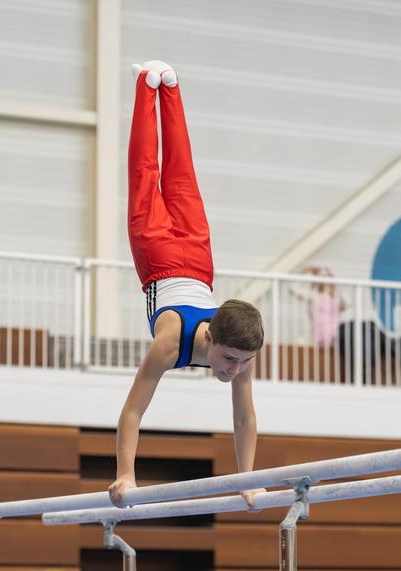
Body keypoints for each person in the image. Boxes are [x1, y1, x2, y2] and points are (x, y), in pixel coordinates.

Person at [108, 60, 264, 509]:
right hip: (192, 259)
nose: (234, 369)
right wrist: (125, 475)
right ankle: (163, 86)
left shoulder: (238, 344)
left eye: (241, 362)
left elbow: (244, 416)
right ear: (212, 334)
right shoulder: (169, 342)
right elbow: (133, 410)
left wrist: (248, 479)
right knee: (179, 176)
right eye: (231, 360)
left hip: (158, 255)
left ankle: (152, 86)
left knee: (147, 174)